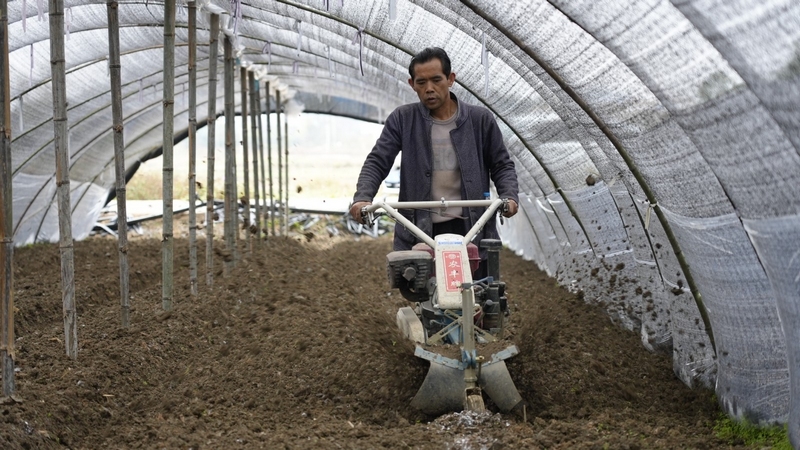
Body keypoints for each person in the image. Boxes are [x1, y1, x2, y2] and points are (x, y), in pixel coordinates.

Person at [349, 47, 519, 276]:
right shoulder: (403, 119)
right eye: (421, 82)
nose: (429, 89)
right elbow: (379, 160)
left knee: (481, 292)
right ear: (412, 84)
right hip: (421, 227)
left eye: (436, 80)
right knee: (425, 292)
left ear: (450, 80)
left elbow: (501, 164)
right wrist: (363, 197)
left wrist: (509, 196)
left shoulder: (479, 120)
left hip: (471, 226)